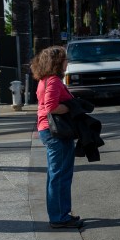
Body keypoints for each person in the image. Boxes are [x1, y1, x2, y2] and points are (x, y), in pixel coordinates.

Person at [31, 46, 83, 228]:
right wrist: (72, 107)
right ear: (57, 62)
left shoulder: (44, 80)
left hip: (49, 131)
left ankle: (61, 213)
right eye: (65, 59)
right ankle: (59, 217)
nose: (67, 62)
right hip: (56, 132)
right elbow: (51, 107)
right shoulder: (53, 80)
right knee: (60, 175)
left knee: (56, 174)